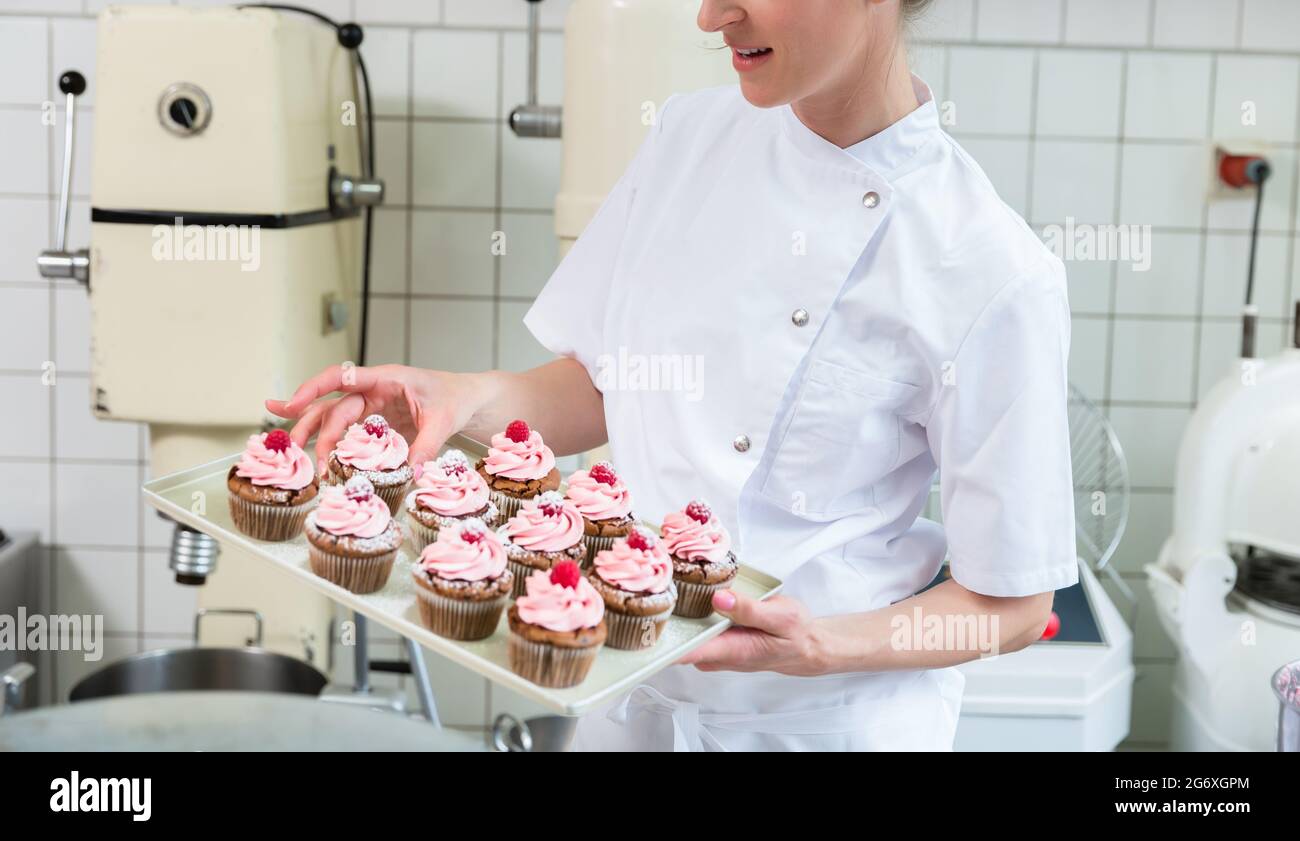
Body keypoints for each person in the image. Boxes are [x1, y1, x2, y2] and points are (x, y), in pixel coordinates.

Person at [268, 0, 1077, 751]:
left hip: (819, 725)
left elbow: (1011, 605)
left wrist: (819, 643)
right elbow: (606, 387)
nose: (711, 15)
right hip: (629, 704)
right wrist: (460, 397)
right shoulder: (689, 137)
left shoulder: (992, 268)